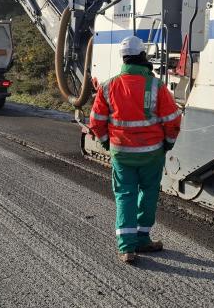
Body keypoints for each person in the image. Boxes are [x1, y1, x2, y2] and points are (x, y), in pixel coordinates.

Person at [89, 35, 181, 264]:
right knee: (148, 193)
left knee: (125, 195)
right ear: (143, 56)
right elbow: (173, 120)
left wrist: (105, 142)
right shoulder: (155, 85)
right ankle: (143, 239)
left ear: (123, 58)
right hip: (152, 153)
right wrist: (168, 143)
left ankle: (127, 248)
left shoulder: (108, 86)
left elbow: (96, 121)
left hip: (122, 153)